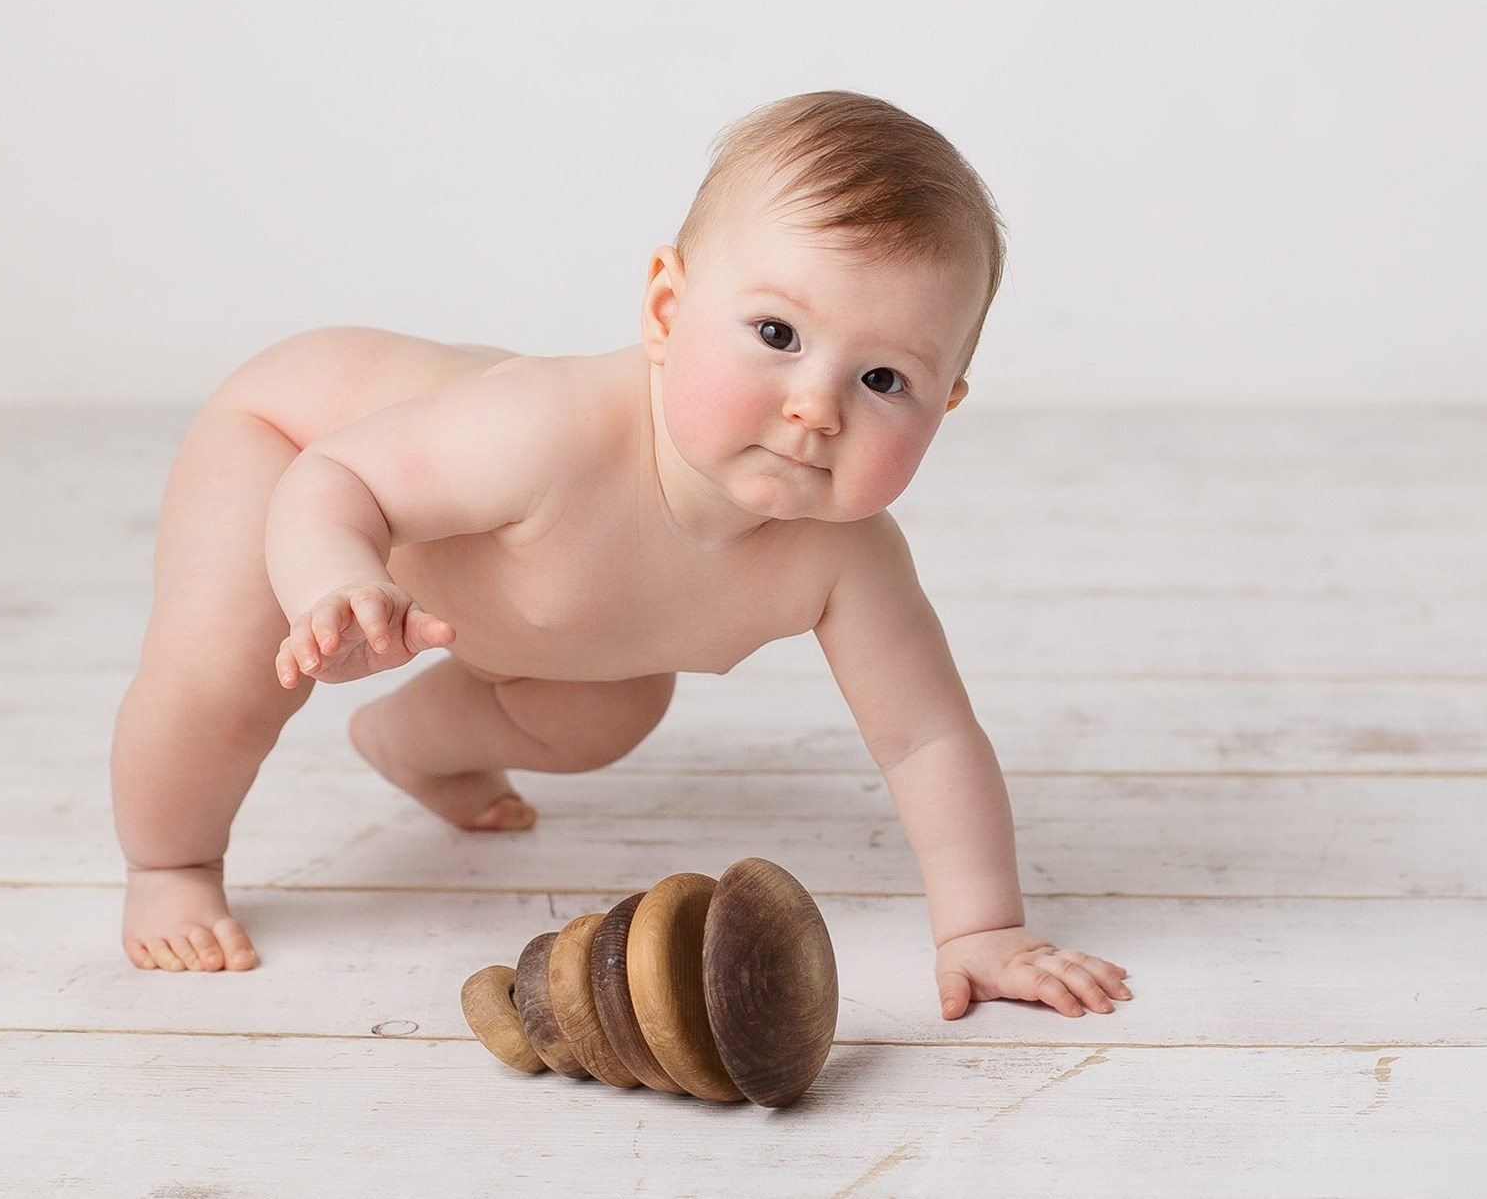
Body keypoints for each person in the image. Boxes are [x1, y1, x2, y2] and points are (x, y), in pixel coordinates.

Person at [111, 91, 1132, 1020]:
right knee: (225, 669)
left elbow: (926, 739)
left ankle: (410, 742)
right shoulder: (544, 432)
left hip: (517, 605)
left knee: (611, 707)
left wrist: (983, 928)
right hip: (297, 449)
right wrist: (333, 578)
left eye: (882, 380)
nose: (816, 407)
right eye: (777, 333)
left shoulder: (846, 558)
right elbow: (339, 474)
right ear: (665, 311)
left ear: (944, 404)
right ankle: (171, 863)